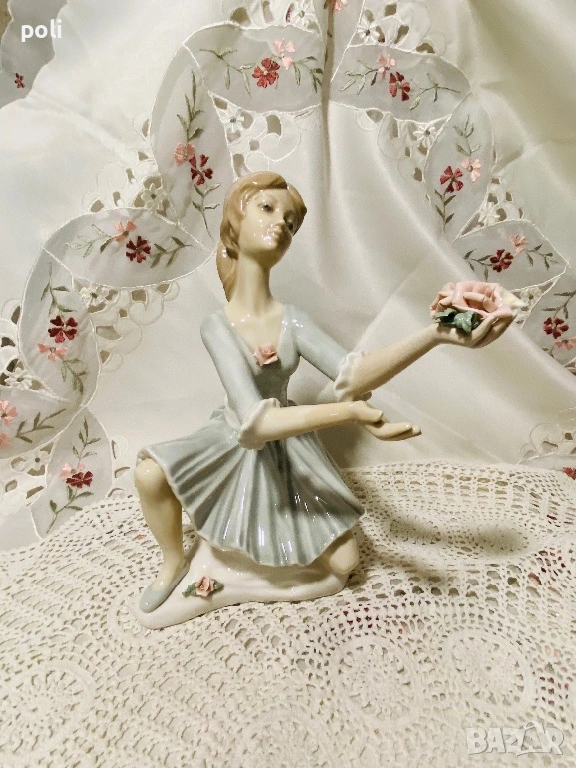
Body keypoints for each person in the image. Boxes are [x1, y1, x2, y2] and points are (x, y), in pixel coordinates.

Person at [135, 171, 513, 615]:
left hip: (288, 447)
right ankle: (174, 562)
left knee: (345, 564)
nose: (281, 224)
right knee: (149, 474)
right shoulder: (217, 326)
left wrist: (435, 335)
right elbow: (255, 425)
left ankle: (237, 577)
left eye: (291, 222)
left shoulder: (292, 320)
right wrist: (348, 413)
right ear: (235, 220)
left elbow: (355, 374)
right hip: (236, 437)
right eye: (267, 208)